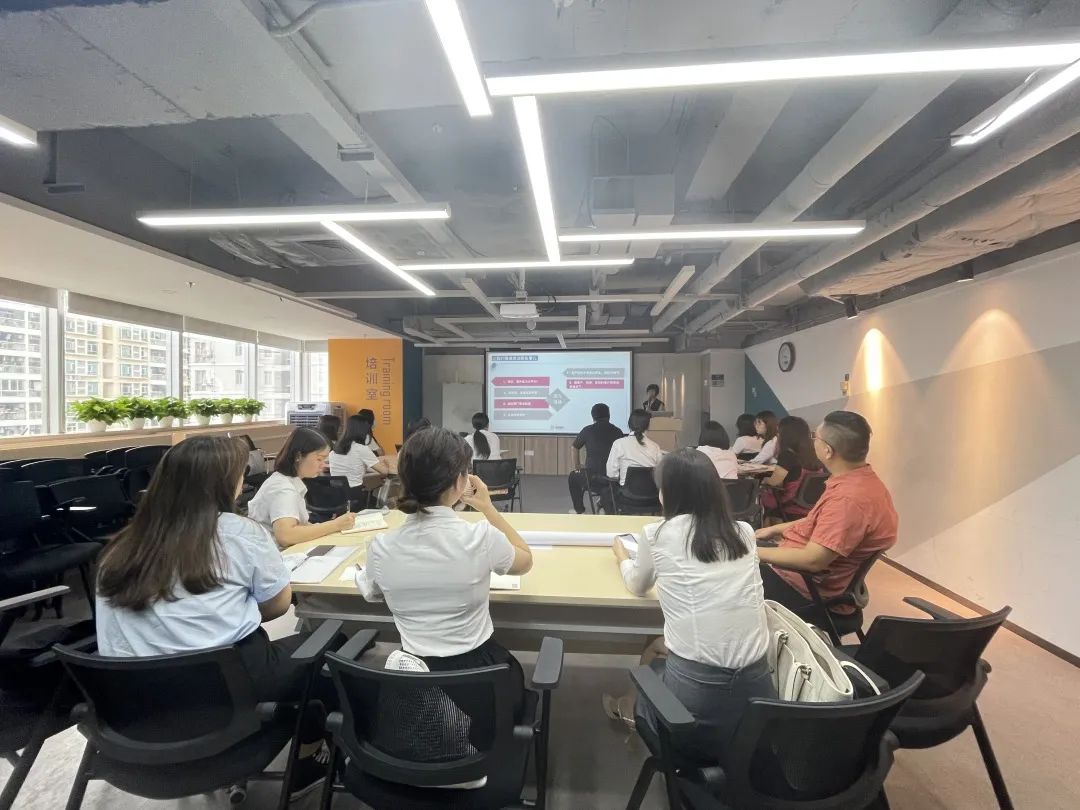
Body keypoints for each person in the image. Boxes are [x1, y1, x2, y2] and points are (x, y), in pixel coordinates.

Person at [94, 436, 334, 798]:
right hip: (224, 695)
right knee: (329, 642)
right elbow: (278, 605)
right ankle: (309, 757)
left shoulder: (122, 546)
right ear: (222, 483)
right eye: (239, 474)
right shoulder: (239, 532)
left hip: (136, 712)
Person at [356, 427, 533, 743]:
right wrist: (488, 507)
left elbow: (372, 593)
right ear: (460, 482)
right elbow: (525, 560)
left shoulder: (380, 547)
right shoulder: (481, 537)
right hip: (482, 684)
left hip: (412, 684)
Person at [606, 449, 773, 758]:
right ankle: (629, 707)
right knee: (656, 644)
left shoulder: (657, 534)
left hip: (694, 710)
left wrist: (621, 557)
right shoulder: (744, 532)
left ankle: (628, 710)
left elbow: (638, 586)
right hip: (758, 701)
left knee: (657, 651)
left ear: (668, 493)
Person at [756, 410, 898, 617]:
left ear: (828, 450)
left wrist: (753, 554)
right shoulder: (863, 481)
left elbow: (812, 560)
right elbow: (817, 520)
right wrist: (775, 529)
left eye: (815, 437)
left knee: (725, 574)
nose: (812, 441)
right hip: (802, 570)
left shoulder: (848, 500)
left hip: (804, 588)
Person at [247, 427, 355, 548]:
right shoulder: (283, 489)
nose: (323, 465)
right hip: (277, 554)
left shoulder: (287, 481)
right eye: (319, 459)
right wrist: (335, 525)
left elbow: (298, 525)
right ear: (298, 456)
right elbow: (286, 536)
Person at [600, 409, 666, 514]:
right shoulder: (655, 447)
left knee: (605, 493)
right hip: (651, 497)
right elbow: (661, 473)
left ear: (629, 424)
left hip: (627, 497)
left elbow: (611, 474)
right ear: (648, 426)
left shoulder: (619, 444)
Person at [568, 403, 625, 515]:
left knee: (573, 477)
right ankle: (603, 503)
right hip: (613, 480)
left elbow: (574, 447)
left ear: (593, 417)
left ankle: (579, 510)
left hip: (592, 479)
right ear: (609, 416)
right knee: (606, 486)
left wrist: (577, 466)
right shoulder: (618, 431)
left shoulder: (588, 430)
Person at [760, 416, 821, 521]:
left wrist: (764, 480)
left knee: (758, 494)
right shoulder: (815, 454)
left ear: (785, 435)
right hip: (810, 506)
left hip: (789, 503)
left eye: (778, 432)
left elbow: (774, 482)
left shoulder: (787, 455)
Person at [329, 415, 390, 491]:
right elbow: (384, 472)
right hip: (355, 492)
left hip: (335, 492)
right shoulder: (361, 449)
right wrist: (386, 464)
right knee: (383, 482)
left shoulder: (336, 448)